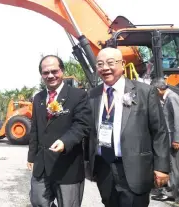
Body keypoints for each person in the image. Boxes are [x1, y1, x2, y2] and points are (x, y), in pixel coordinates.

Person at [85, 47, 170, 207]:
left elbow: (159, 131)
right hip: (105, 167)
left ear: (123, 64)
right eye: (100, 64)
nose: (105, 68)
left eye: (110, 63)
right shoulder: (92, 95)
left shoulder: (145, 92)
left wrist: (162, 167)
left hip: (135, 167)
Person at [27, 55, 91, 207]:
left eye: (54, 71)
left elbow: (82, 125)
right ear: (41, 75)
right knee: (37, 201)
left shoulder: (78, 95)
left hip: (67, 164)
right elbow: (35, 128)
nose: (50, 76)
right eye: (45, 72)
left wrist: (65, 141)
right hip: (42, 164)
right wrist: (31, 157)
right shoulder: (38, 98)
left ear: (62, 71)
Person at [150, 78, 179, 204]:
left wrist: (177, 139)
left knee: (175, 167)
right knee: (172, 167)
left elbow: (178, 119)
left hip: (174, 139)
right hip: (169, 138)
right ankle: (171, 192)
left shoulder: (172, 97)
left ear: (158, 89)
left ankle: (175, 195)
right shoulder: (166, 98)